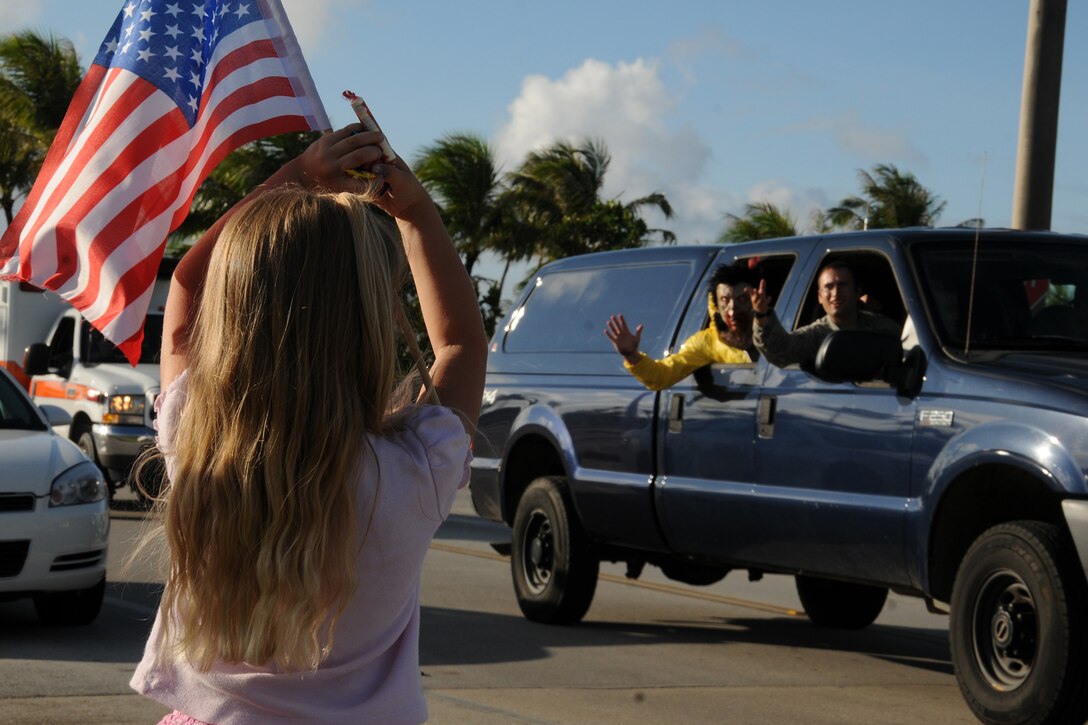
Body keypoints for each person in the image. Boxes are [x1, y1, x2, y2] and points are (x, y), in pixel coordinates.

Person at [128, 124, 487, 724]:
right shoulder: (416, 470)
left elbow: (187, 288)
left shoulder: (198, 445)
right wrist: (416, 212)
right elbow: (459, 343)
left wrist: (298, 174)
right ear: (368, 321)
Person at [605, 264, 756, 391]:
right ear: (716, 305)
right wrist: (631, 356)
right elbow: (662, 375)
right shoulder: (707, 342)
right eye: (725, 300)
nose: (732, 308)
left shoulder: (773, 326)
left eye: (741, 299)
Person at [749, 261, 900, 369]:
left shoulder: (881, 327)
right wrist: (762, 316)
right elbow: (781, 352)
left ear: (857, 291)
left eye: (842, 285)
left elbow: (912, 350)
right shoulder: (815, 336)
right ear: (820, 297)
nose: (835, 293)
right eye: (828, 287)